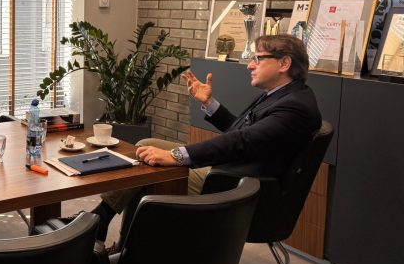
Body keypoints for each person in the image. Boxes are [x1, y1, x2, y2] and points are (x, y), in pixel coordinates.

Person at [92, 34, 322, 244]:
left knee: (150, 170)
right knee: (146, 146)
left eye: (258, 59)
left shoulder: (294, 107)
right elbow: (242, 133)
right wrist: (209, 103)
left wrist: (176, 156)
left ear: (284, 63)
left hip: (236, 186)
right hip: (234, 170)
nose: (250, 65)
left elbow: (241, 141)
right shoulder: (282, 96)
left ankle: (112, 235)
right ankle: (105, 222)